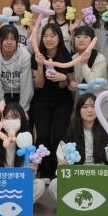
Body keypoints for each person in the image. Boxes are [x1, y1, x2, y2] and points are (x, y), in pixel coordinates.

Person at [48, 94, 108, 212]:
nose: (90, 110)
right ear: (78, 111)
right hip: (77, 181)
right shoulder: (70, 134)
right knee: (54, 185)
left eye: (93, 106)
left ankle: (75, 205)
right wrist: (62, 164)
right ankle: (102, 206)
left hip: (101, 181)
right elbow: (61, 169)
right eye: (85, 107)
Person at [31, 23, 74, 182]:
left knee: (58, 135)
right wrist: (40, 65)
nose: (48, 39)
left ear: (59, 38)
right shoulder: (37, 55)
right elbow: (39, 84)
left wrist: (63, 78)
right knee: (42, 135)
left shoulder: (66, 55)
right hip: (42, 100)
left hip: (62, 100)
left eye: (52, 35)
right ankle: (45, 171)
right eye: (46, 36)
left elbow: (68, 84)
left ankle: (58, 169)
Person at [0, 25, 34, 115]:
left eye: (13, 39)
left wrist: (23, 112)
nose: (9, 42)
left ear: (17, 41)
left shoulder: (24, 55)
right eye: (6, 39)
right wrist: (1, 110)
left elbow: (26, 85)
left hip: (20, 93)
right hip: (3, 93)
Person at [68, 25, 108, 123]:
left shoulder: (99, 58)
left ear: (92, 40)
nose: (81, 40)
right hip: (82, 102)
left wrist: (84, 64)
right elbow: (72, 80)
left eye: (85, 37)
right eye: (78, 37)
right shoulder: (74, 58)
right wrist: (71, 84)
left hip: (100, 101)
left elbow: (92, 82)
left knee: (101, 129)